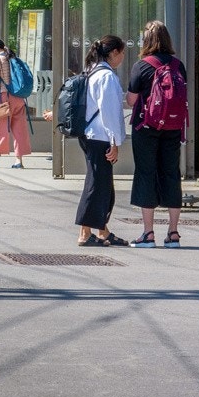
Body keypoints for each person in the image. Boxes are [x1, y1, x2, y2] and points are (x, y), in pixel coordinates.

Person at [127, 21, 188, 249]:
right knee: (172, 174)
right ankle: (173, 233)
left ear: (146, 40)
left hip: (146, 127)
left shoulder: (142, 66)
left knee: (146, 173)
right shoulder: (178, 65)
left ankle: (148, 233)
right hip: (172, 128)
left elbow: (132, 100)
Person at [76, 35, 128, 247]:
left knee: (102, 184)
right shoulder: (106, 76)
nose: (123, 57)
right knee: (97, 184)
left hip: (90, 134)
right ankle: (85, 233)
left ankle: (102, 231)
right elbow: (108, 111)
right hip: (100, 136)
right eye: (122, 52)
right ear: (113, 53)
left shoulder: (92, 71)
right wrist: (114, 141)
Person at [0, 38, 30, 168]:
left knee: (0, 128)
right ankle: (19, 161)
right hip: (19, 97)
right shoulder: (12, 57)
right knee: (19, 129)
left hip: (4, 97)